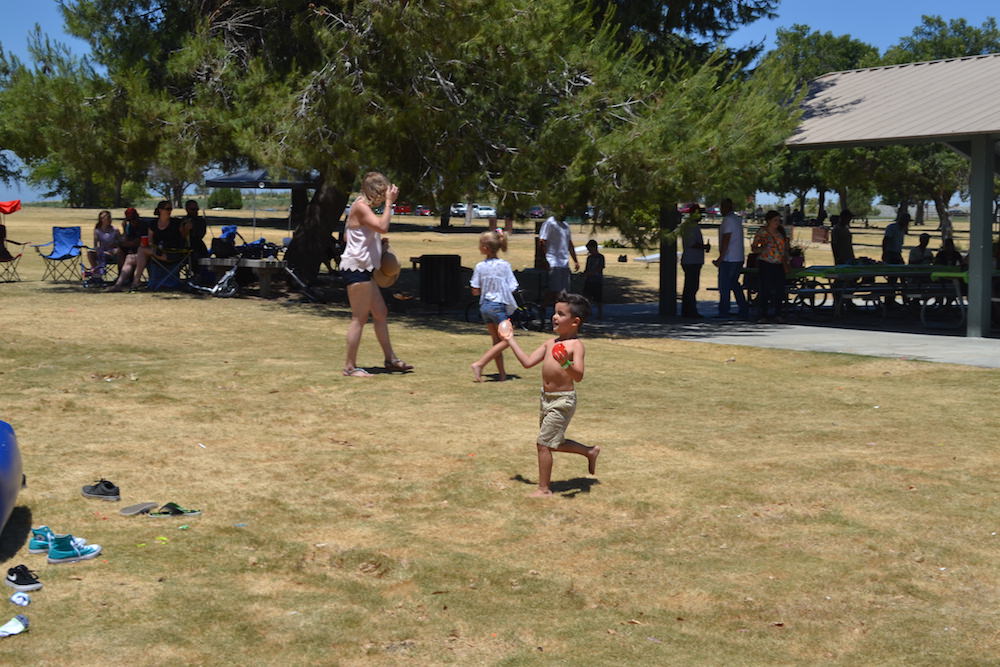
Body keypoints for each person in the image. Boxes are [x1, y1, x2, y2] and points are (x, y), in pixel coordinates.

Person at [498, 291, 599, 497]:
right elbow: (527, 363)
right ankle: (589, 451)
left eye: (561, 314)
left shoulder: (575, 346)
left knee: (543, 443)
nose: (554, 317)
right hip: (545, 398)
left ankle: (544, 489)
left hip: (563, 400)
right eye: (555, 313)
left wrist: (566, 362)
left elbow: (578, 376)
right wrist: (510, 340)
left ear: (575, 322)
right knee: (554, 442)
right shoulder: (549, 343)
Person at [341, 172, 413, 377]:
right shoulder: (361, 207)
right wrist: (390, 204)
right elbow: (382, 226)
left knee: (380, 312)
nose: (383, 199)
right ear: (375, 192)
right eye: (382, 195)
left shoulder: (360, 206)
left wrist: (374, 245)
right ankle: (349, 367)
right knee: (359, 318)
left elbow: (349, 236)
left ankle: (390, 359)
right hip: (356, 270)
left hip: (363, 269)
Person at [469, 229, 519, 382]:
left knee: (497, 342)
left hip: (485, 306)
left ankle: (502, 375)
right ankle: (480, 364)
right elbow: (513, 286)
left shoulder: (480, 267)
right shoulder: (504, 265)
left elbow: (475, 290)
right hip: (498, 307)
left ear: (485, 248)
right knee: (507, 340)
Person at [750, 210, 790, 323]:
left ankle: (778, 313)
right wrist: (762, 248)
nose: (777, 222)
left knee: (779, 289)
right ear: (768, 221)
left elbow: (785, 247)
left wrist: (786, 257)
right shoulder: (762, 232)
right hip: (766, 263)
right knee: (765, 289)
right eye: (775, 220)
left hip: (779, 263)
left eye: (779, 220)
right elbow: (754, 248)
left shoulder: (780, 232)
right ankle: (763, 314)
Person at [712, 197, 748, 318]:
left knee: (724, 285)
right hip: (738, 257)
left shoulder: (727, 220)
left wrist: (720, 258)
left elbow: (726, 240)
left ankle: (724, 310)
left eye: (722, 207)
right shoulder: (737, 219)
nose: (721, 209)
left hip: (729, 258)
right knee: (734, 283)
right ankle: (743, 307)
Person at [538, 213, 579, 311]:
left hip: (564, 262)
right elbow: (542, 241)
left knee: (564, 292)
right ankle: (542, 308)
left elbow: (569, 243)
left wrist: (575, 260)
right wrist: (544, 259)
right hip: (553, 261)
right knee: (554, 290)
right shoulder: (550, 222)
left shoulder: (565, 225)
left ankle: (560, 312)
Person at [680, 206, 709, 317]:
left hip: (694, 260)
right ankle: (690, 311)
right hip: (691, 260)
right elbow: (692, 243)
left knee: (691, 286)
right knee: (691, 287)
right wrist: (704, 246)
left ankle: (687, 310)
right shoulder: (690, 226)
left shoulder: (692, 226)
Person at [86, 210, 122, 276]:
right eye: (106, 218)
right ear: (101, 220)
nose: (108, 220)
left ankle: (120, 275)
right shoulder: (97, 230)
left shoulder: (115, 230)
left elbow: (121, 243)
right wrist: (97, 250)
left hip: (114, 252)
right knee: (90, 253)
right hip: (102, 251)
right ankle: (96, 272)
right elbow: (95, 245)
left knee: (118, 250)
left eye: (109, 218)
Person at [582, 239, 605, 320]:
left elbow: (599, 268)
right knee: (587, 297)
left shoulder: (600, 257)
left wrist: (591, 273)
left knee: (598, 299)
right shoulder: (589, 257)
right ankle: (588, 312)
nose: (589, 251)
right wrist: (584, 274)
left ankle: (600, 314)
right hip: (589, 280)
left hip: (597, 280)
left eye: (590, 249)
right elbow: (587, 268)